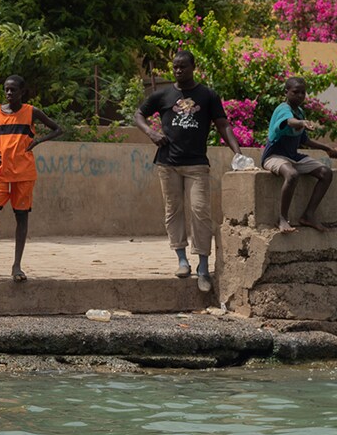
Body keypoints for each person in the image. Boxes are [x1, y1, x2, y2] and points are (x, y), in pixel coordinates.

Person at [134, 50, 245, 291]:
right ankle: (182, 260)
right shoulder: (162, 94)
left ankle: (203, 266)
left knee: (200, 211)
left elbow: (223, 124)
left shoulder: (207, 95)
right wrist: (151, 133)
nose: (178, 70)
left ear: (193, 67)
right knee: (173, 211)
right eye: (175, 67)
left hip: (196, 165)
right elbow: (139, 114)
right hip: (167, 163)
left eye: (183, 66)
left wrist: (237, 151)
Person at [0, 74, 64, 282]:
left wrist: (37, 142)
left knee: (21, 217)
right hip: (1, 173)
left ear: (22, 92)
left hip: (23, 173)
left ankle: (17, 266)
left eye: (13, 90)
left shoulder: (31, 112)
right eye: (7, 89)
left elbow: (58, 129)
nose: (9, 93)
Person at [261, 76, 334, 234]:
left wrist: (326, 148)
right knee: (292, 174)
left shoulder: (299, 112)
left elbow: (304, 140)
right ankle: (282, 218)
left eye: (303, 92)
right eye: (296, 92)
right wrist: (301, 123)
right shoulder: (283, 109)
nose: (300, 96)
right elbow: (289, 122)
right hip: (274, 156)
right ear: (286, 92)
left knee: (326, 173)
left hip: (293, 156)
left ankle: (308, 215)